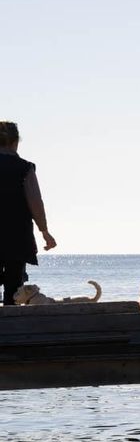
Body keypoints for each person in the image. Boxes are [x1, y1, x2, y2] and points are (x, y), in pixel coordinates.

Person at [0, 121, 56, 305]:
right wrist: (44, 231)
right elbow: (35, 202)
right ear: (16, 142)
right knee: (14, 287)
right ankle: (8, 328)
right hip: (17, 234)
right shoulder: (25, 168)